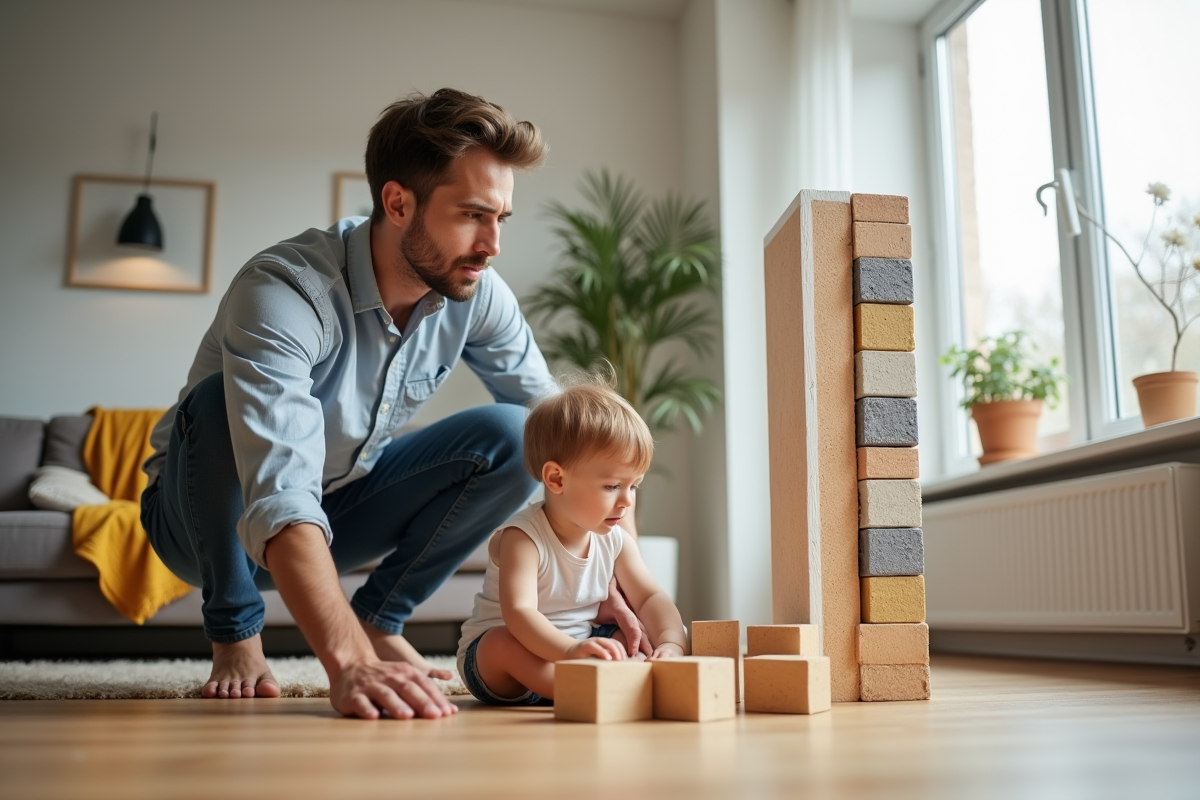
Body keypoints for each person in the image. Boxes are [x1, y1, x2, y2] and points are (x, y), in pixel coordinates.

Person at [140, 88, 648, 721]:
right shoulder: (284, 292)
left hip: (340, 507)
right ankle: (235, 633)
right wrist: (348, 663)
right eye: (472, 215)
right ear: (398, 202)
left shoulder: (476, 291)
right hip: (201, 524)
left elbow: (575, 441)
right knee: (216, 400)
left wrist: (616, 578)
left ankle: (379, 618)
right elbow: (280, 493)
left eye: (501, 218)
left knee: (517, 433)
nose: (492, 244)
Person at [457, 380, 688, 705]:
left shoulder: (616, 540)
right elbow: (520, 613)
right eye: (612, 486)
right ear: (556, 479)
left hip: (581, 646)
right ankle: (581, 687)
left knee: (635, 635)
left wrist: (671, 642)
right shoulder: (523, 538)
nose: (626, 501)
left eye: (634, 486)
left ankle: (618, 675)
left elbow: (650, 597)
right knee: (500, 643)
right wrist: (568, 651)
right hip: (510, 666)